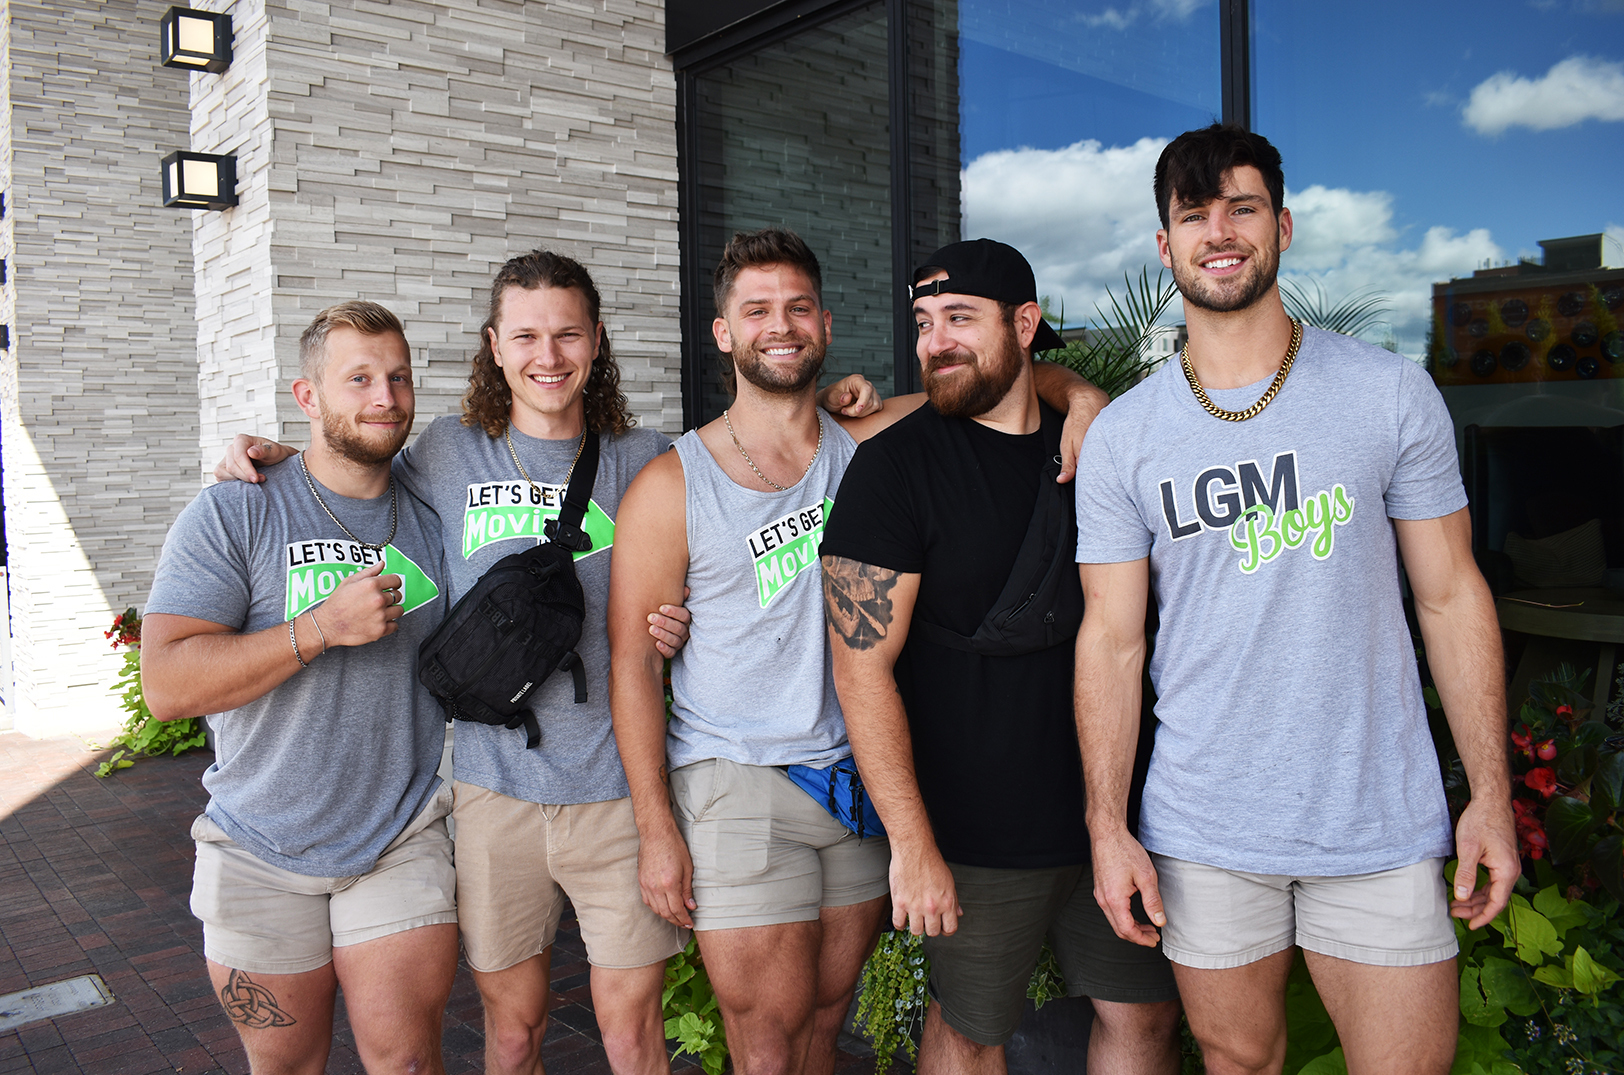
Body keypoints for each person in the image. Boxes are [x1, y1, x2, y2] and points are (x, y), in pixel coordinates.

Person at [209, 250, 872, 1075]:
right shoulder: (445, 453)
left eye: (567, 334)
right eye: (525, 335)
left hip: (615, 791)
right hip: (493, 793)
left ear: (596, 340)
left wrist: (829, 401)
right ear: (494, 345)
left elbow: (733, 512)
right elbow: (350, 463)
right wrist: (271, 452)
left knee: (631, 1033)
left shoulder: (648, 459)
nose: (547, 355)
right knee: (516, 1030)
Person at [1070, 123, 1517, 1075]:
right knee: (1237, 1059)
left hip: (1377, 815)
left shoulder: (1388, 392)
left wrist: (1490, 793)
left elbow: (1450, 595)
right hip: (1205, 827)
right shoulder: (1125, 436)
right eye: (1196, 214)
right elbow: (1110, 639)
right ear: (1165, 244)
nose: (1220, 232)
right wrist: (1107, 826)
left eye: (1242, 207)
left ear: (1282, 225)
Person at [608, 228, 1108, 1075]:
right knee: (767, 1042)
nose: (780, 325)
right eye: (756, 310)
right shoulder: (672, 484)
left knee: (823, 1024)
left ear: (827, 324)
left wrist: (1084, 397)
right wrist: (656, 829)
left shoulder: (869, 437)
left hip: (852, 777)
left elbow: (1007, 376)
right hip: (739, 774)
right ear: (723, 333)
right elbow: (631, 663)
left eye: (798, 307)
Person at [818, 239, 1183, 1075]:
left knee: (1146, 1017)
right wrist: (913, 842)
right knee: (971, 1029)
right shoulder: (892, 468)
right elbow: (859, 668)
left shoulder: (1099, 448)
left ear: (1024, 325)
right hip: (973, 831)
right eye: (922, 322)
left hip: (1117, 810)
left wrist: (1081, 395)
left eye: (959, 318)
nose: (935, 341)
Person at [142, 301, 458, 1075]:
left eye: (398, 378)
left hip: (399, 835)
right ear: (307, 396)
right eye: (359, 379)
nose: (386, 398)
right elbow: (166, 683)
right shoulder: (238, 507)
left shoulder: (434, 506)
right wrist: (316, 627)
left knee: (409, 1063)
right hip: (257, 845)